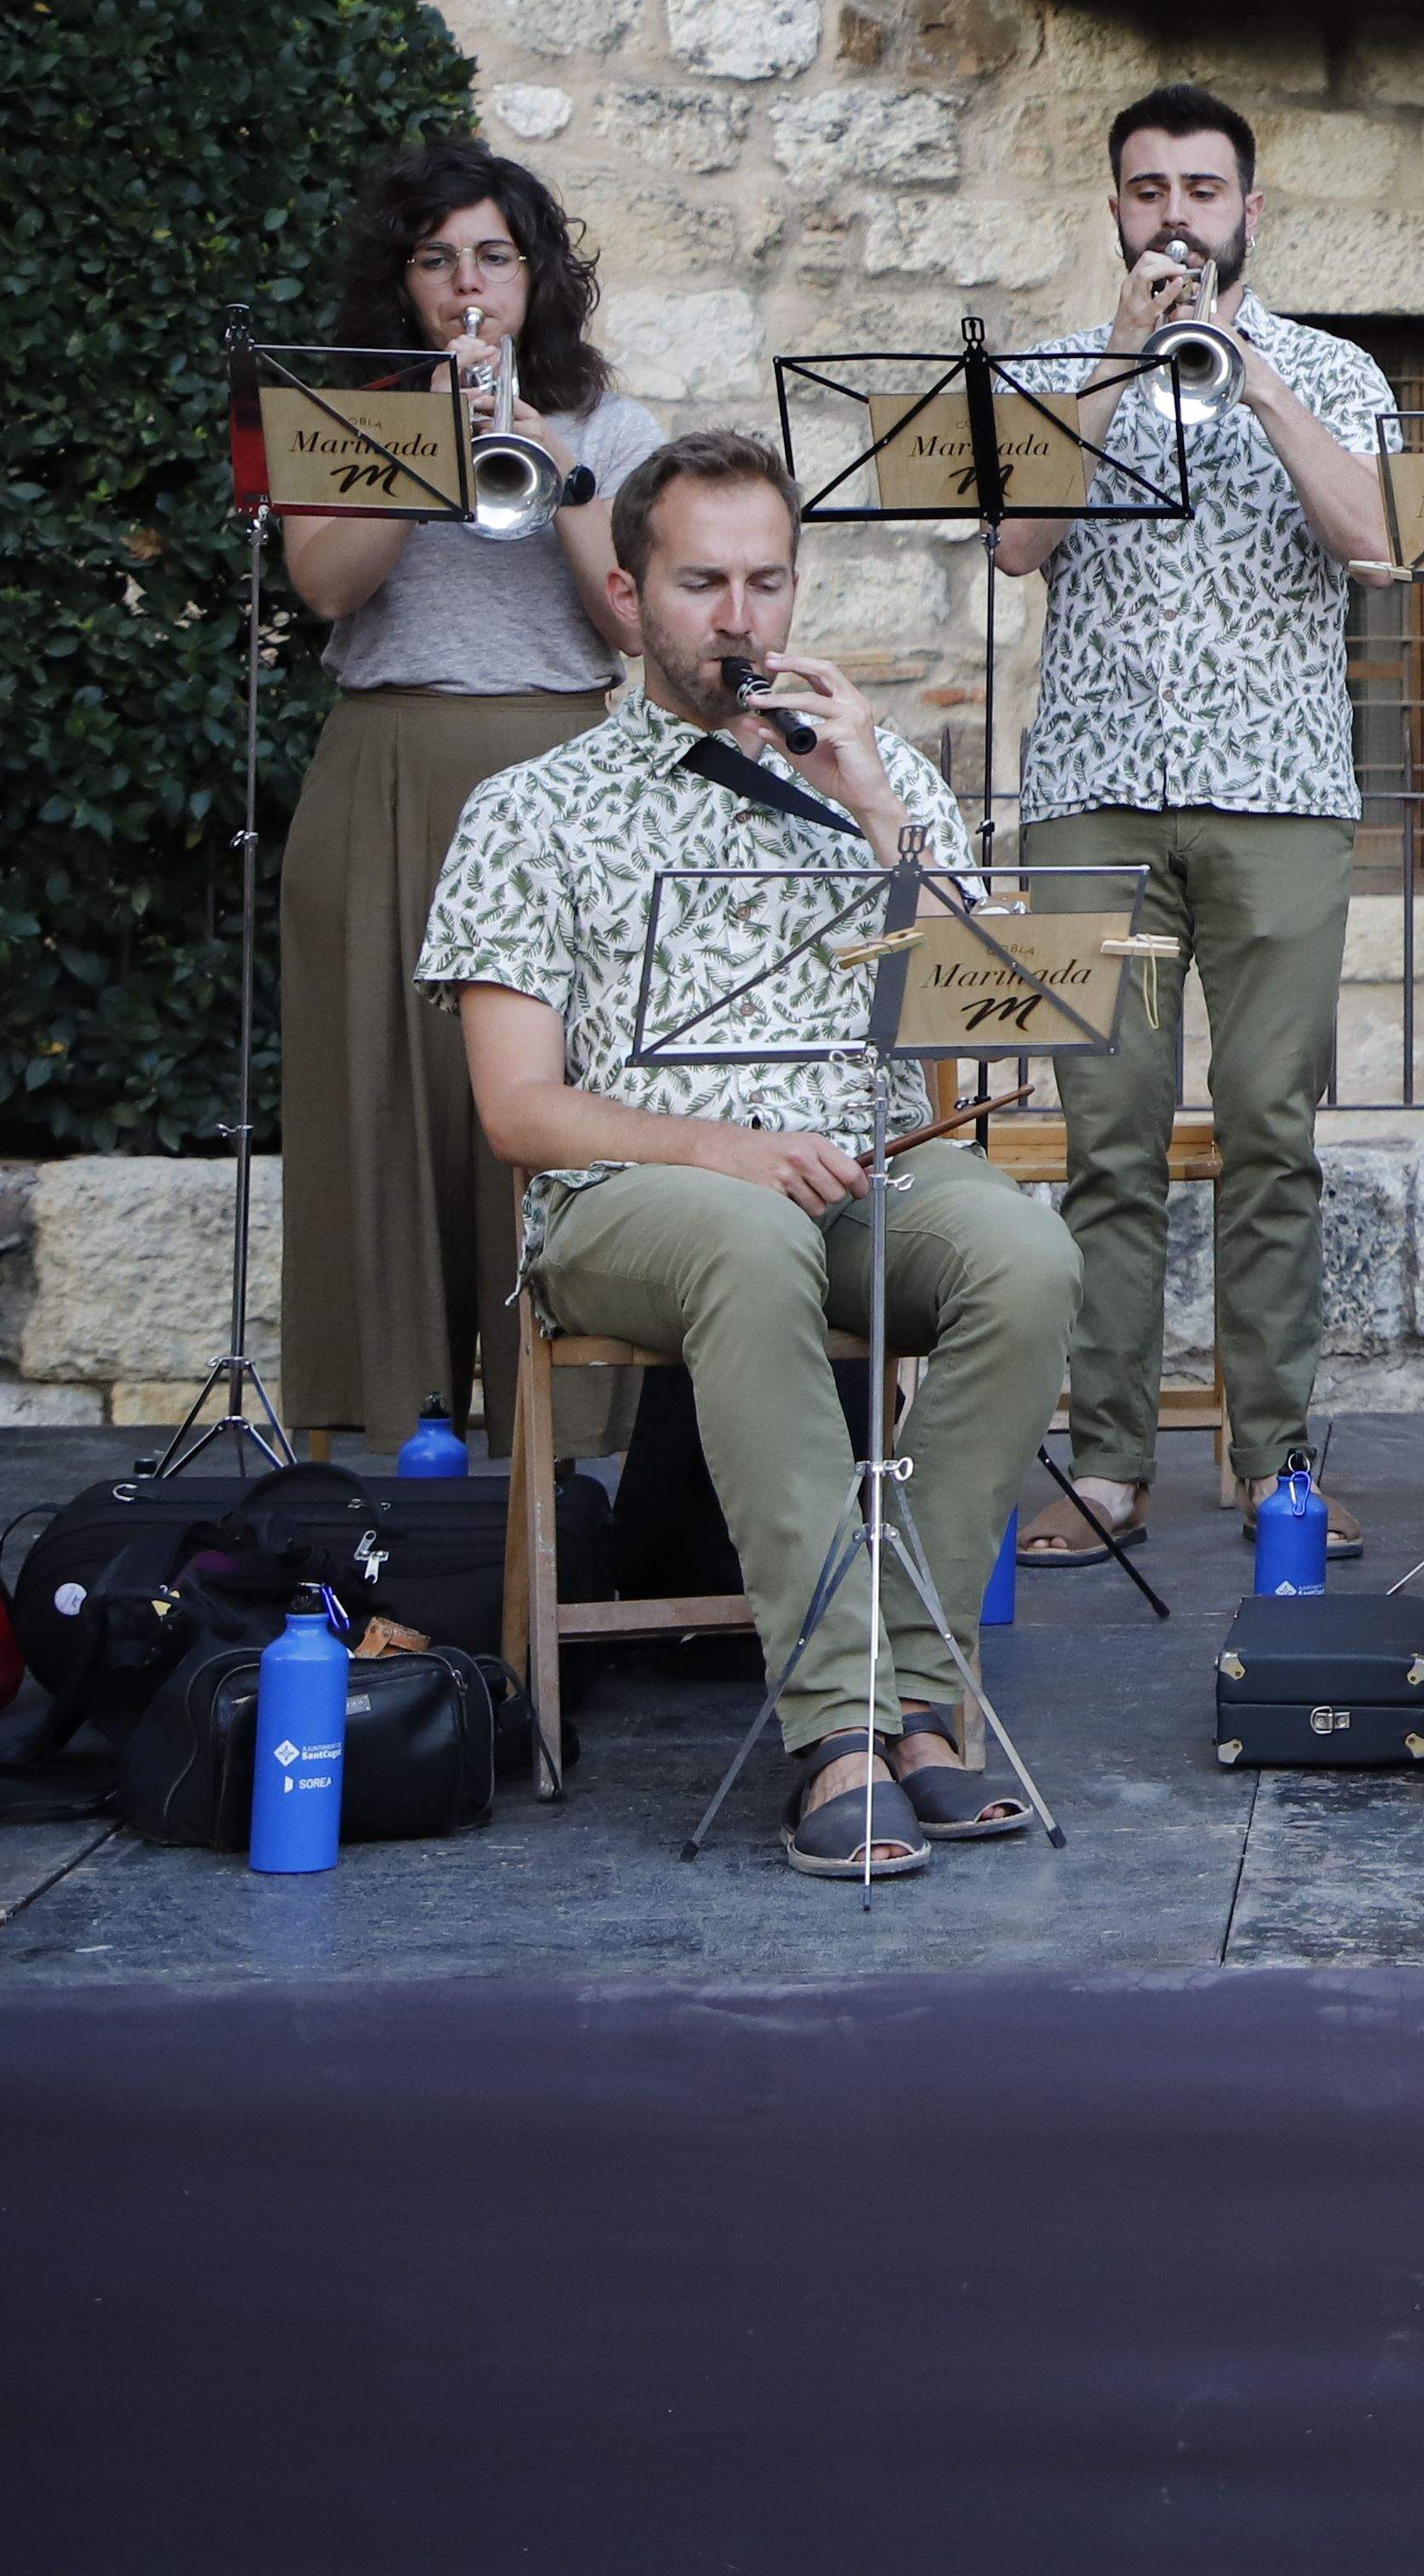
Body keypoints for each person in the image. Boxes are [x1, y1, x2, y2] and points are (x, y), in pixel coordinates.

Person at [419, 431, 1079, 1885]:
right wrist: (716, 1147)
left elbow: (1003, 1005)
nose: (740, 619)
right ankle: (836, 1729)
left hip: (859, 1169)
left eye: (767, 582)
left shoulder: (877, 768)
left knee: (1027, 1255)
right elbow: (518, 1112)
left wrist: (881, 808)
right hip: (635, 1200)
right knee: (747, 1237)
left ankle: (917, 1687)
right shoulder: (533, 807)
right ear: (627, 591)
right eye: (703, 582)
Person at [992, 83, 1399, 1569]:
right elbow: (1018, 543)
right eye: (1149, 189)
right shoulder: (1052, 365)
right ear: (1113, 207)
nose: (1177, 213)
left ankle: (1274, 1458)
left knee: (1271, 1137)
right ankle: (1105, 1465)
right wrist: (1118, 352)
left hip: (1282, 794)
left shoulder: (1333, 368)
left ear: (1251, 210)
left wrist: (1255, 376)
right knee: (1108, 1143)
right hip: (1092, 789)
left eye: (1203, 189)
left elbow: (1379, 546)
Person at [278, 141, 670, 1450]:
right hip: (387, 775)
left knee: (554, 1101)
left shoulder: (611, 426)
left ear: (535, 273)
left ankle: (562, 1436)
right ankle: (395, 1429)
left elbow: (635, 624)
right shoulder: (348, 410)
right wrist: (422, 434)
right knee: (384, 1109)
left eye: (493, 257)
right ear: (404, 282)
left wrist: (549, 458)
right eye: (437, 259)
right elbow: (328, 588)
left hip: (566, 783)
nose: (468, 285)